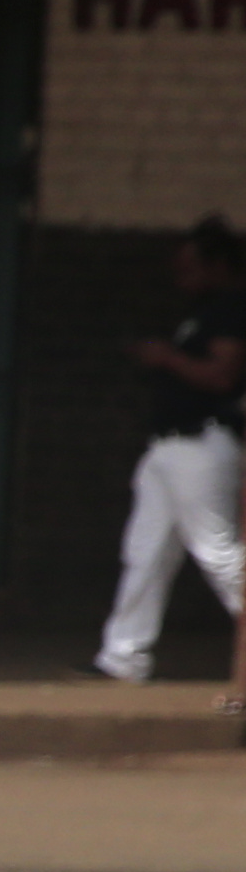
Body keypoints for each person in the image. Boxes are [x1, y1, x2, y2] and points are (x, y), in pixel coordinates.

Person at [94, 214, 246, 684]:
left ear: (218, 265)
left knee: (218, 552)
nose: (182, 280)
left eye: (191, 269)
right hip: (168, 448)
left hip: (201, 445)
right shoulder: (202, 312)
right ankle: (123, 657)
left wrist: (168, 358)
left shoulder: (231, 308)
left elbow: (222, 375)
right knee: (145, 552)